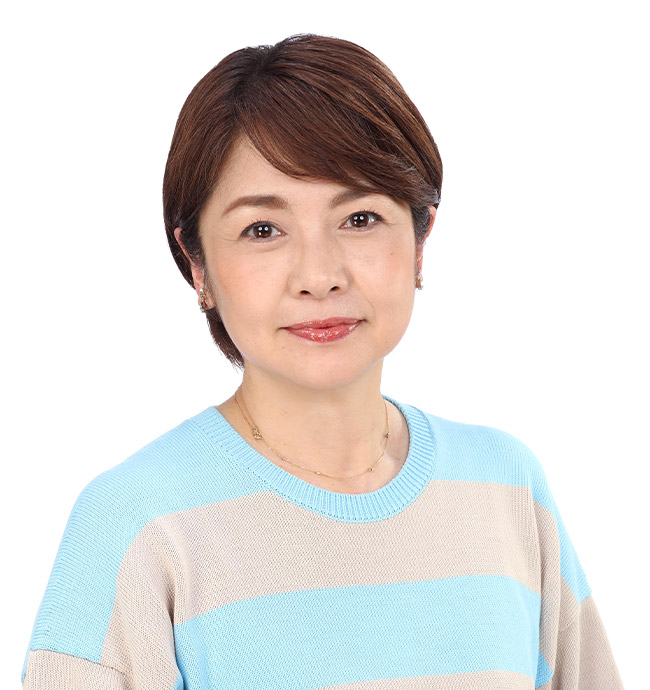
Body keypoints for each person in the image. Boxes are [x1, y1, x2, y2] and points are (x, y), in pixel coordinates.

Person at [21, 34, 624, 689]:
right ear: (198, 264)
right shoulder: (137, 524)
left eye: (360, 218)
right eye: (262, 230)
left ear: (421, 239)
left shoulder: (505, 488)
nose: (318, 275)